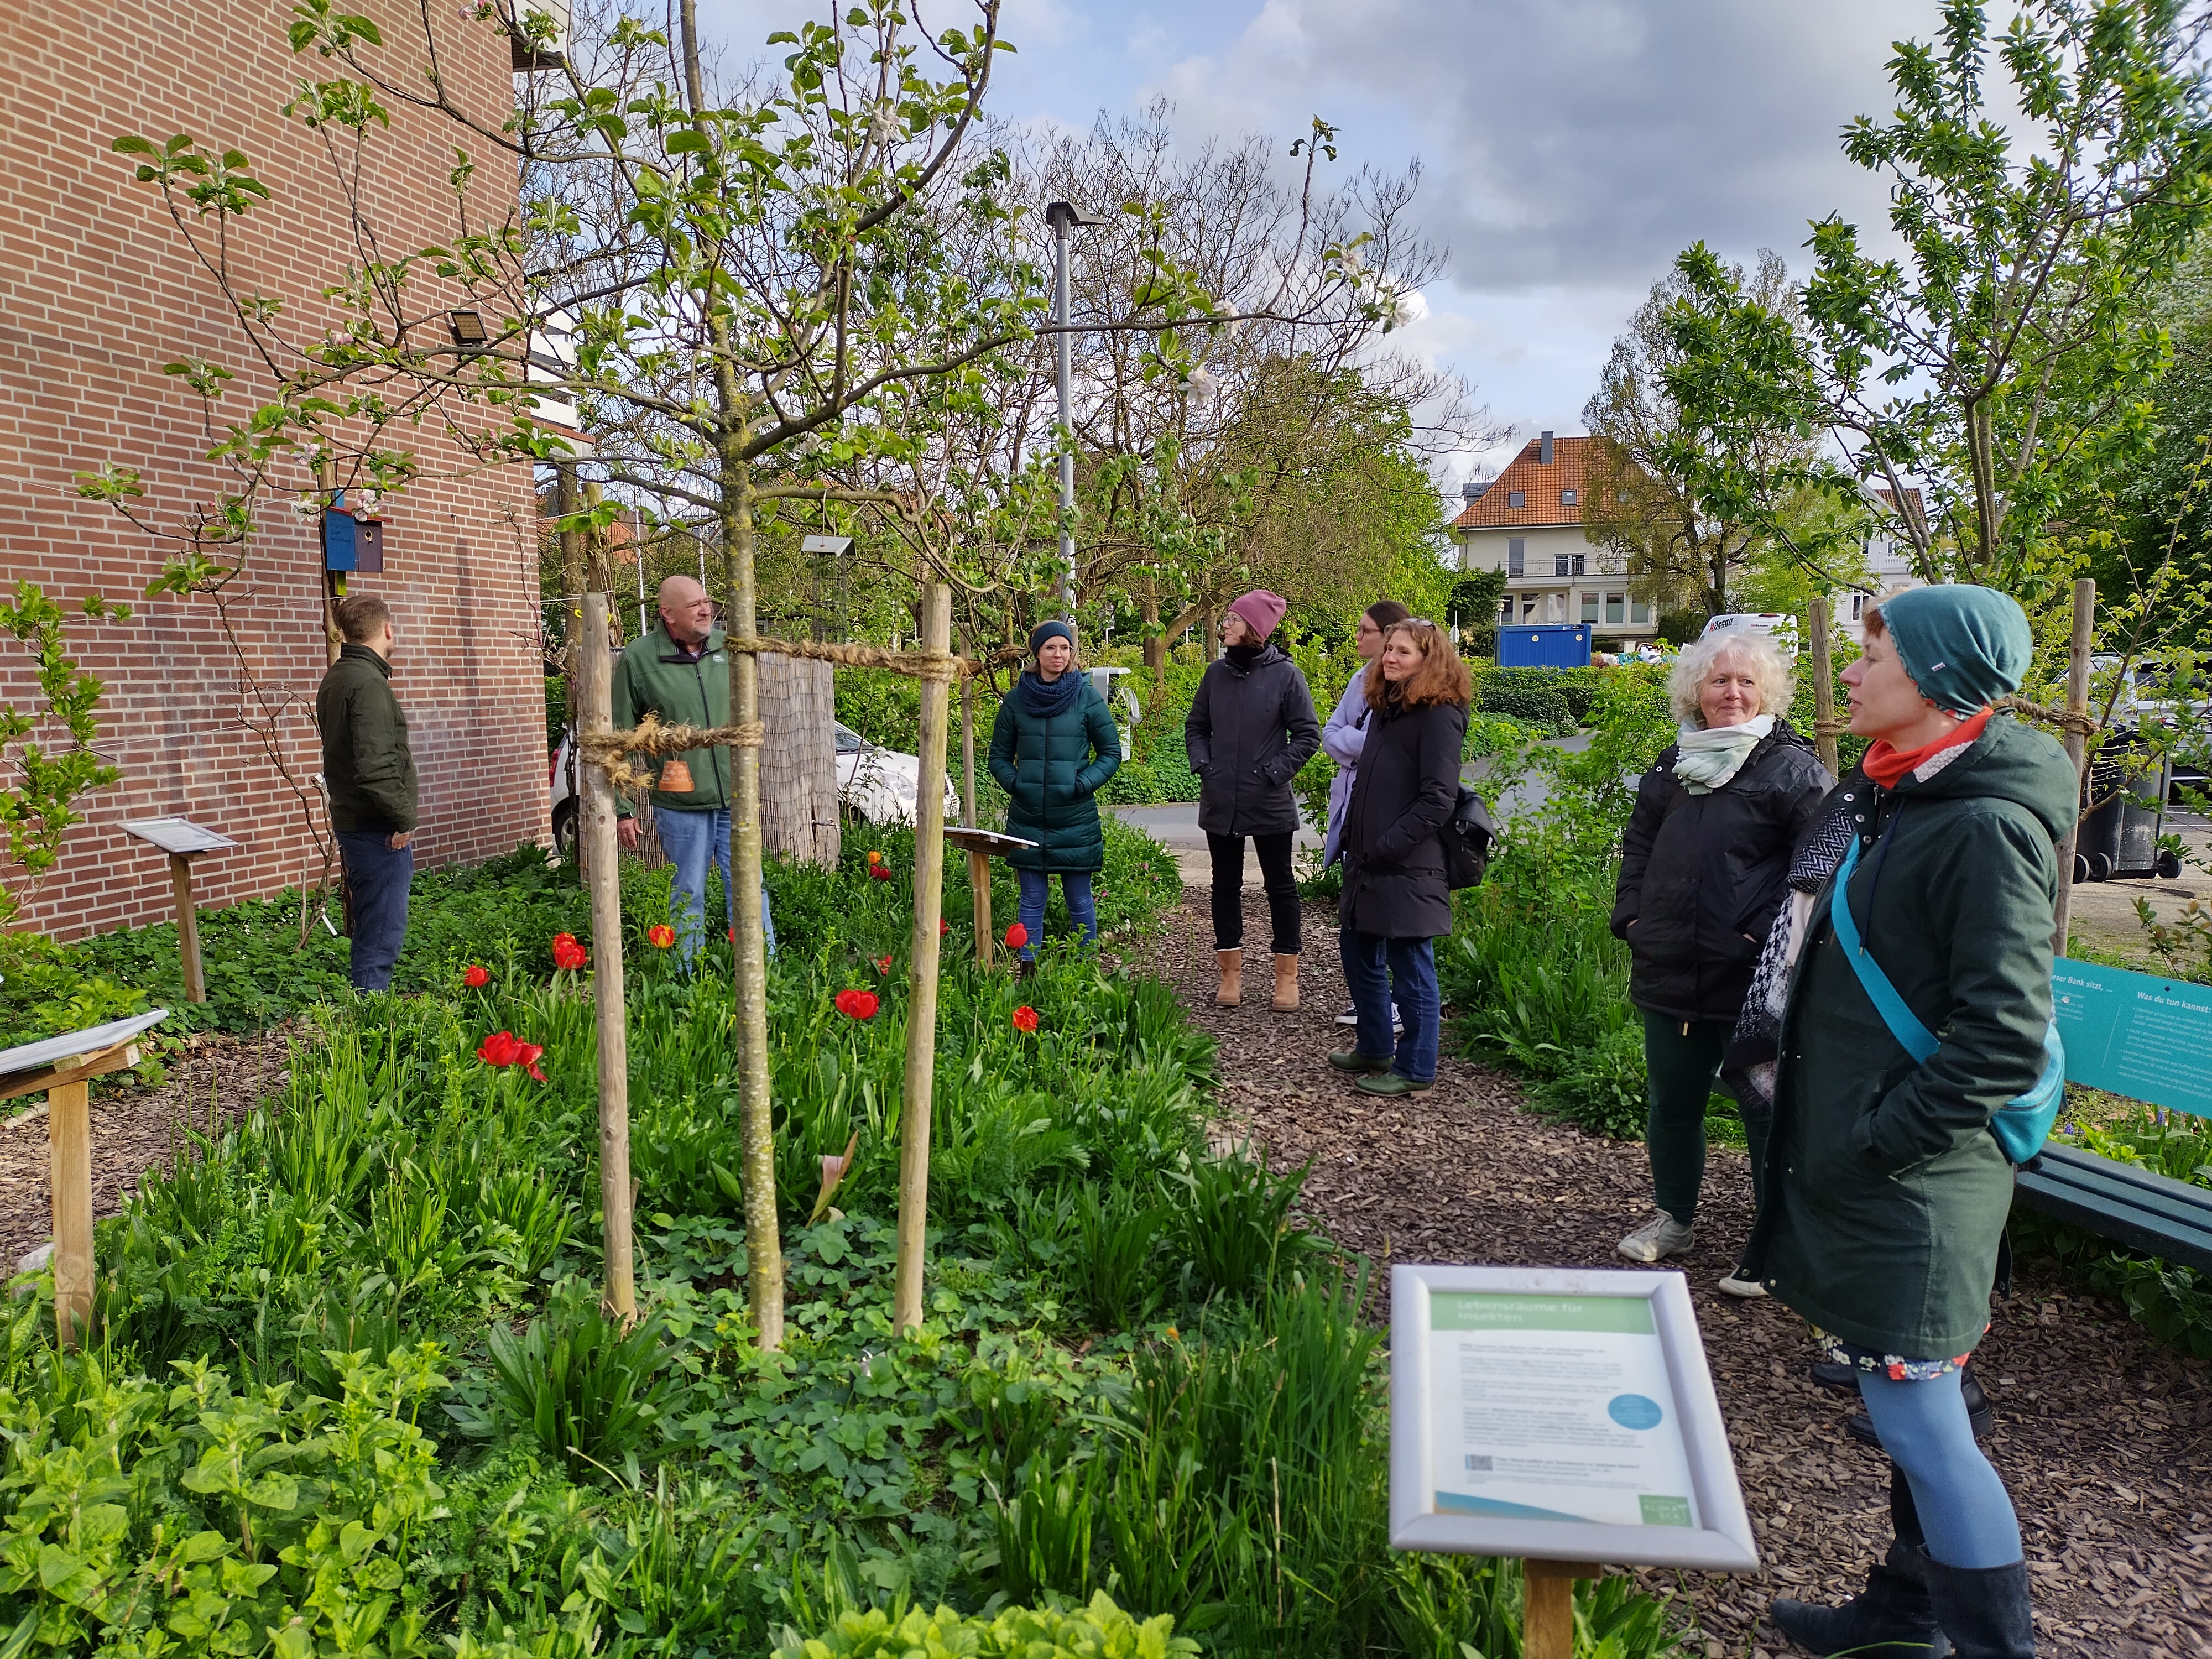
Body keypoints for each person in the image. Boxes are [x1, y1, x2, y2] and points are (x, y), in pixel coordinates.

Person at [1739, 586, 2068, 1659]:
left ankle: (1989, 1647)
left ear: (1930, 675)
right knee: (1912, 1421)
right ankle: (1901, 1613)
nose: (1846, 670)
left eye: (1869, 652)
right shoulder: (1906, 796)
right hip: (1892, 1173)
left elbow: (1999, 1038)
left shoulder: (1977, 826)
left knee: (1925, 1431)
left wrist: (1875, 1139)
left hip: (1915, 1186)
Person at [1608, 629, 1830, 1285]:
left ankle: (1771, 1244)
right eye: (1718, 681)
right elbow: (1638, 847)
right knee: (1672, 1102)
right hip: (1669, 965)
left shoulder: (1792, 770)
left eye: (1746, 682)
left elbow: (1818, 869)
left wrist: (1757, 936)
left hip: (1753, 979)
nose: (1731, 693)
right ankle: (1674, 1219)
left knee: (1763, 1109)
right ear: (1694, 692)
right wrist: (1633, 918)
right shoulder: (1672, 765)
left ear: (1765, 693)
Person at [1328, 618, 1469, 1095]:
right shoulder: (1389, 707)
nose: (1390, 658)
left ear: (1429, 660)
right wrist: (1355, 836)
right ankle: (1374, 1045)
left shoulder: (1439, 714)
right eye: (1389, 649)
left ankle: (1416, 1068)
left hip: (1408, 863)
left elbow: (1438, 798)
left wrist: (1388, 844)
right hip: (1368, 859)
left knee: (1411, 964)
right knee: (1358, 950)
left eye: (1403, 652)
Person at [613, 576, 774, 962]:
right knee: (689, 889)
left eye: (707, 601)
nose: (706, 610)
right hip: (680, 803)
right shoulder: (639, 658)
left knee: (750, 886)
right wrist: (623, 808)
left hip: (736, 797)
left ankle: (765, 972)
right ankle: (688, 978)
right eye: (694, 605)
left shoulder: (728, 647)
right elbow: (618, 737)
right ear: (667, 613)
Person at [1185, 590, 1321, 1011]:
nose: (1225, 626)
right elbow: (1196, 727)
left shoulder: (1287, 676)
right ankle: (1230, 976)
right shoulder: (1215, 675)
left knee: (1281, 887)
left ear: (1255, 630)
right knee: (1224, 886)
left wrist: (1273, 773)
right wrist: (1205, 767)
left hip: (1269, 801)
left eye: (1233, 620)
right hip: (1221, 798)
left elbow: (1307, 736)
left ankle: (1287, 980)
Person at [988, 620, 1122, 970]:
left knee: (1079, 899)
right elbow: (998, 757)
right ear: (1037, 652)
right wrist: (1017, 785)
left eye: (1065, 648)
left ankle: (1085, 969)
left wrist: (1081, 784)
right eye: (1050, 648)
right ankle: (1028, 969)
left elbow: (1110, 753)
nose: (1058, 655)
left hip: (1075, 819)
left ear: (1072, 652)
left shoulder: (1086, 697)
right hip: (1027, 819)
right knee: (1031, 898)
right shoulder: (1016, 701)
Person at [317, 593, 418, 992]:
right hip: (378, 830)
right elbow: (375, 766)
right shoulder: (368, 683)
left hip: (358, 822)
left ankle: (366, 1015)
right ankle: (369, 1026)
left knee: (371, 924)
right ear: (387, 630)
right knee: (381, 933)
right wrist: (403, 819)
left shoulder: (339, 677)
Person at [1321, 599, 1410, 1031]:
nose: (1357, 638)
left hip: (1382, 816)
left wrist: (1359, 747)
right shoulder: (1359, 679)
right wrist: (1362, 747)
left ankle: (1390, 1006)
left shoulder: (1407, 688)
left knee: (1382, 918)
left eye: (1364, 631)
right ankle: (1371, 1003)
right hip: (1351, 811)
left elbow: (1383, 745)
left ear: (1390, 634)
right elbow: (1330, 735)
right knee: (1356, 916)